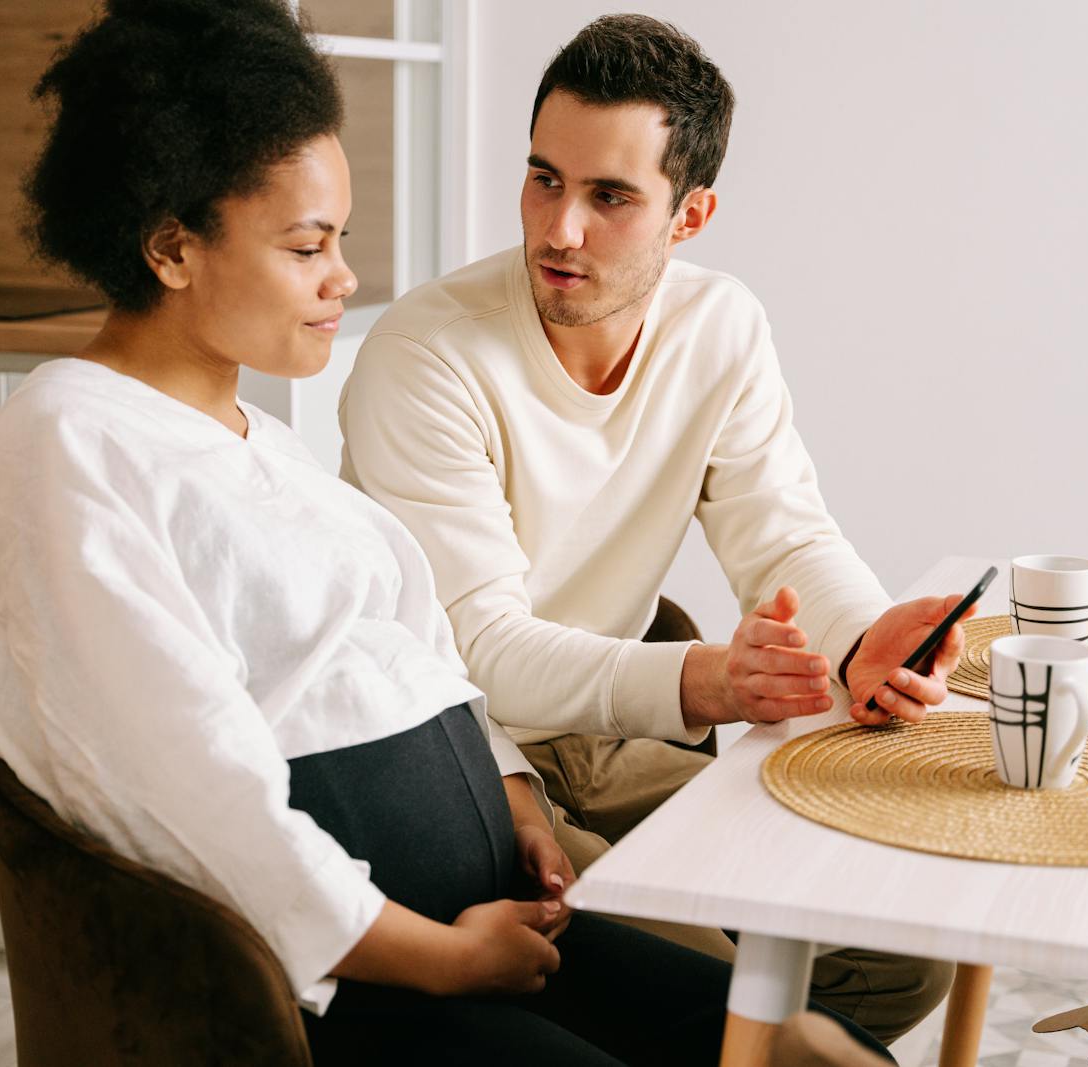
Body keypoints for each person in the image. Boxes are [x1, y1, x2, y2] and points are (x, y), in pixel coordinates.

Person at [0, 1, 893, 1062]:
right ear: (171, 248)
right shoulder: (68, 448)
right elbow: (196, 791)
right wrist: (441, 956)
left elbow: (410, 660)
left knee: (820, 1041)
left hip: (487, 902)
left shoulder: (256, 442)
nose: (344, 276)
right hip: (360, 982)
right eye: (308, 246)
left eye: (338, 239)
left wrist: (516, 797)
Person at [339, 13, 972, 1047]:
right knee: (729, 992)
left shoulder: (720, 327)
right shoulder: (429, 354)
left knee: (899, 950)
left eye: (609, 196)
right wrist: (705, 680)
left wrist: (866, 638)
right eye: (543, 177)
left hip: (611, 735)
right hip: (465, 752)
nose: (559, 229)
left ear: (690, 215)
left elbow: (784, 537)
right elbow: (482, 650)